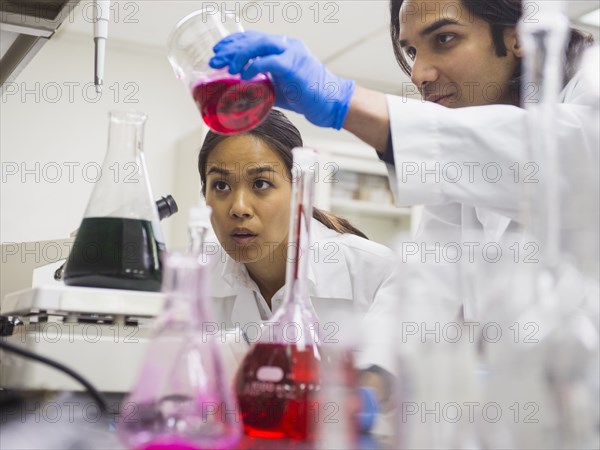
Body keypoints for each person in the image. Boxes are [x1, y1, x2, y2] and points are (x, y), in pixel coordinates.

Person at [209, 0, 599, 319]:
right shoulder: (460, 162)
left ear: (518, 36)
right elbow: (422, 292)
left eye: (444, 38)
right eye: (412, 50)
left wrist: (347, 103)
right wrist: (370, 379)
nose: (418, 73)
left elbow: (566, 157)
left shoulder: (589, 90)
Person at [197, 109, 400, 428]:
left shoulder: (377, 272)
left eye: (261, 183)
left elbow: (381, 388)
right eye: (221, 186)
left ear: (299, 191)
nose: (238, 208)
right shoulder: (198, 285)